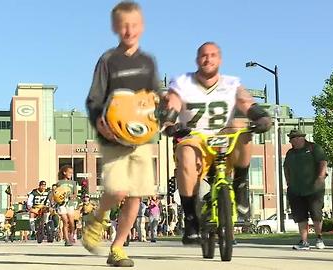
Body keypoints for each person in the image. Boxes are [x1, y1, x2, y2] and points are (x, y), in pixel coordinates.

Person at [161, 42, 272, 244]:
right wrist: (170, 123)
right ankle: (191, 218)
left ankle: (240, 185)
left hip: (224, 140)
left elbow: (246, 102)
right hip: (196, 140)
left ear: (219, 59)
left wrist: (261, 117)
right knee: (185, 150)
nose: (208, 59)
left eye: (213, 55)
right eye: (204, 55)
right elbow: (173, 103)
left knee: (242, 128)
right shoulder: (183, 83)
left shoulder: (231, 84)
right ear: (197, 60)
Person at [83, 1, 160, 267]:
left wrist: (166, 108)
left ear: (142, 27)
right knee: (117, 191)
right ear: (116, 27)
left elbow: (154, 99)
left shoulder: (148, 62)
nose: (129, 30)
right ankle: (99, 216)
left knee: (136, 194)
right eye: (123, 25)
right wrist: (99, 121)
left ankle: (117, 249)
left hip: (142, 139)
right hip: (113, 137)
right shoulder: (108, 60)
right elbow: (94, 98)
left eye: (134, 25)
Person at [283, 129, 328, 250]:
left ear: (303, 138)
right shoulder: (290, 153)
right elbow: (286, 168)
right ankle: (304, 241)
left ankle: (319, 238)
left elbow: (323, 162)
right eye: (292, 138)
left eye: (297, 137)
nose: (295, 140)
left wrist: (320, 177)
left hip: (314, 189)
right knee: (300, 216)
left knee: (316, 213)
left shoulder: (314, 148)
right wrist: (288, 182)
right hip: (295, 189)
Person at [55, 165, 80, 246]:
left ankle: (71, 235)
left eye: (72, 173)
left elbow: (75, 193)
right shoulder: (59, 183)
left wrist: (72, 196)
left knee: (72, 222)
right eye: (69, 172)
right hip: (62, 204)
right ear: (64, 172)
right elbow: (56, 193)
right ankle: (66, 240)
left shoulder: (73, 183)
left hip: (70, 204)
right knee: (65, 221)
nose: (70, 174)